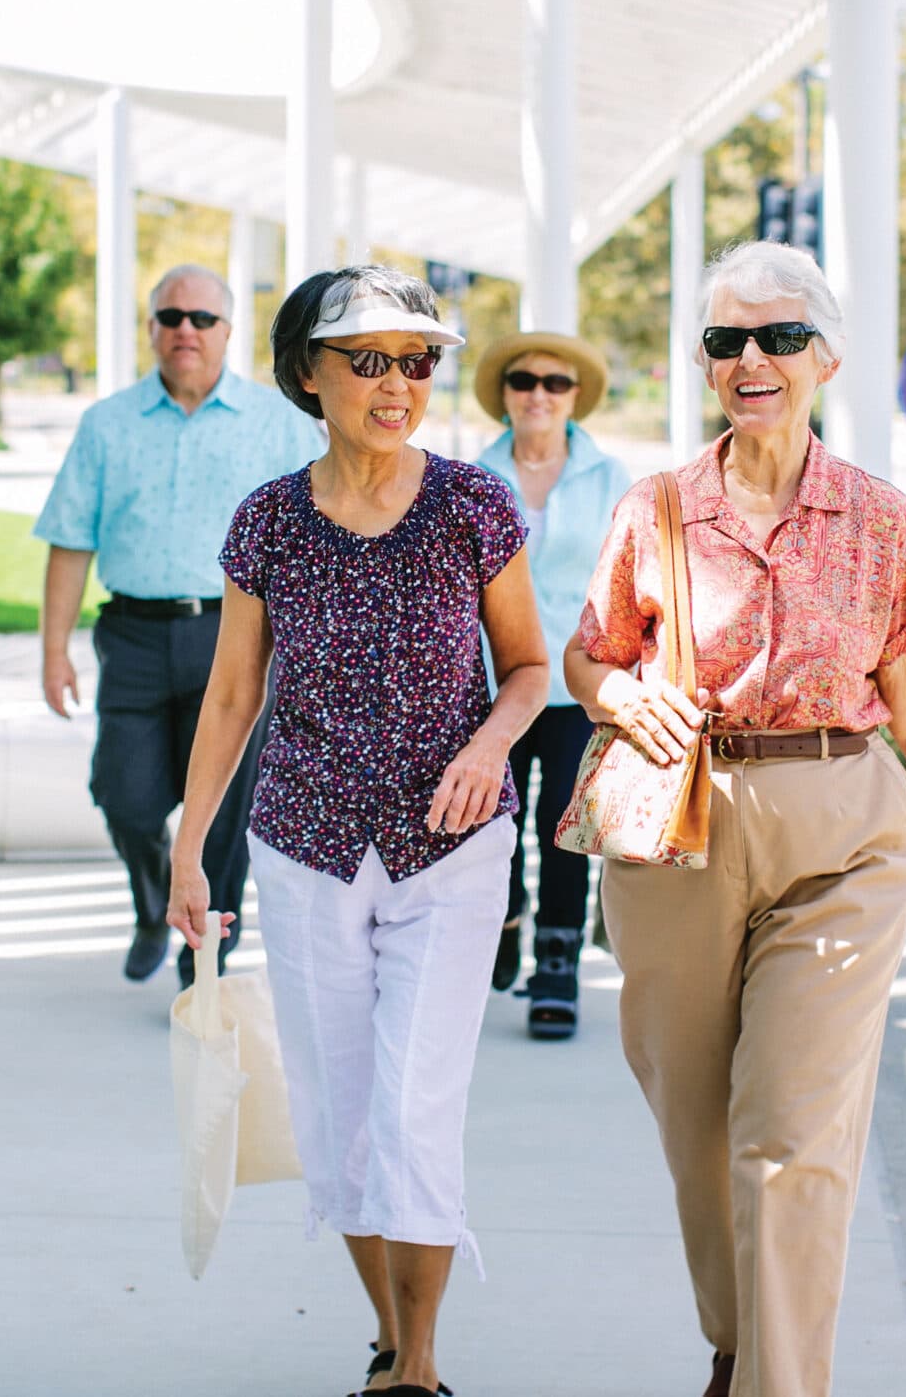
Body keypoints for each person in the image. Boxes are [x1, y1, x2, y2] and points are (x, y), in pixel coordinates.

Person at [564, 242, 906, 1397]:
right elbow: (586, 653)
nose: (750, 358)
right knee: (699, 1128)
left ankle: (777, 1382)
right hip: (681, 833)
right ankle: (739, 1338)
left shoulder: (879, 520)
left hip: (843, 836)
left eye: (775, 337)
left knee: (791, 1132)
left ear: (823, 355)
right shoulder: (655, 507)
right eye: (726, 340)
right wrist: (624, 693)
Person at [166, 264, 549, 1397]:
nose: (398, 384)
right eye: (368, 358)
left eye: (417, 360)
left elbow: (528, 666)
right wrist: (192, 849)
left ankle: (418, 1367)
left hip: (453, 848)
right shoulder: (270, 522)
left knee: (413, 1104)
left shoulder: (474, 505)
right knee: (338, 1121)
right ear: (306, 374)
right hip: (304, 849)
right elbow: (233, 697)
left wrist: (488, 746)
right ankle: (390, 1332)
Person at [34, 263, 321, 986]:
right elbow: (71, 540)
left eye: (201, 319)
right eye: (170, 318)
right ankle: (154, 898)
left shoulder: (279, 426)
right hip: (131, 635)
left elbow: (317, 539)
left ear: (228, 332)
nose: (185, 331)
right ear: (153, 330)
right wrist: (52, 651)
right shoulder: (107, 424)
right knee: (124, 794)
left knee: (222, 810)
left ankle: (207, 962)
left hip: (238, 636)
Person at [470, 331, 630, 1040]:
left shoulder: (609, 477)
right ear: (504, 396)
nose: (539, 393)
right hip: (488, 681)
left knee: (562, 829)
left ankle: (556, 963)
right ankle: (503, 915)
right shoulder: (469, 476)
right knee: (487, 820)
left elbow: (633, 582)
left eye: (555, 383)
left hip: (575, 683)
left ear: (573, 399)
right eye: (524, 380)